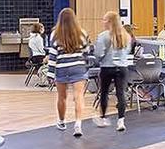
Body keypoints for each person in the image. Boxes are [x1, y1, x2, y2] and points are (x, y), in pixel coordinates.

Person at [48, 7, 92, 137]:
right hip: (78, 68)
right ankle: (78, 124)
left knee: (62, 97)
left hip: (62, 69)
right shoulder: (82, 33)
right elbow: (87, 51)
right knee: (78, 97)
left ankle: (61, 121)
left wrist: (50, 74)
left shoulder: (55, 34)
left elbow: (52, 55)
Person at [92, 10, 135, 132]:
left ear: (110, 21)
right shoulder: (126, 35)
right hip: (122, 68)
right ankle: (121, 121)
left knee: (104, 93)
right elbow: (127, 52)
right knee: (120, 94)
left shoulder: (103, 36)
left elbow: (99, 54)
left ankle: (103, 117)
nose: (103, 22)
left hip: (107, 67)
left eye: (105, 20)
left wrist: (98, 58)